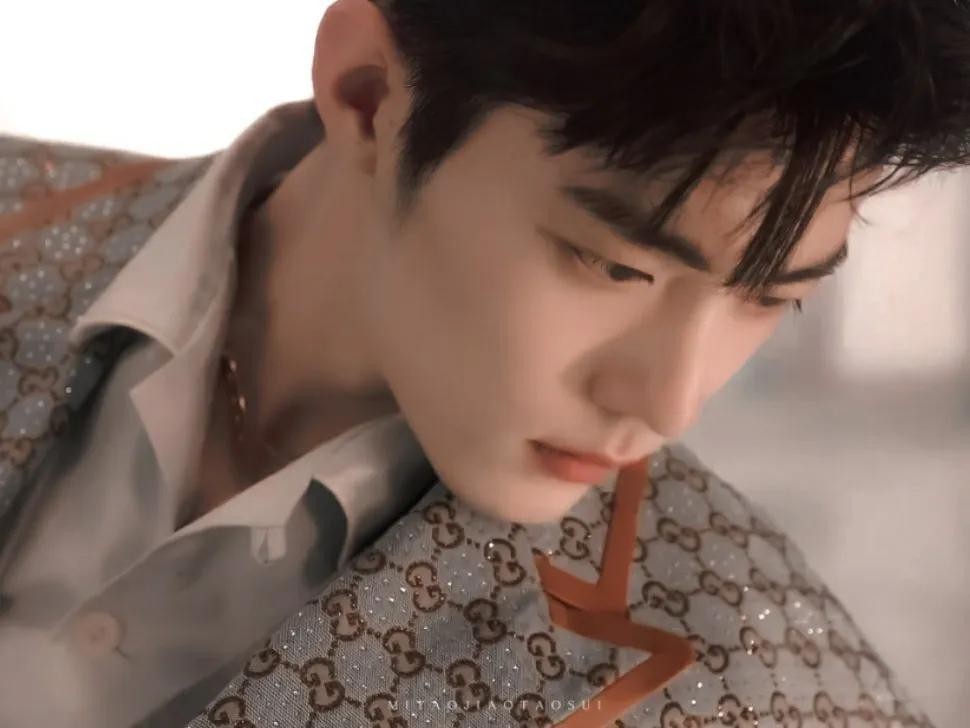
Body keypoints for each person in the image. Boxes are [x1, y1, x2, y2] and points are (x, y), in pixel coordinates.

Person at [0, 0, 967, 725]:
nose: (670, 403)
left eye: (771, 297)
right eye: (613, 264)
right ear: (369, 98)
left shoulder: (763, 690)